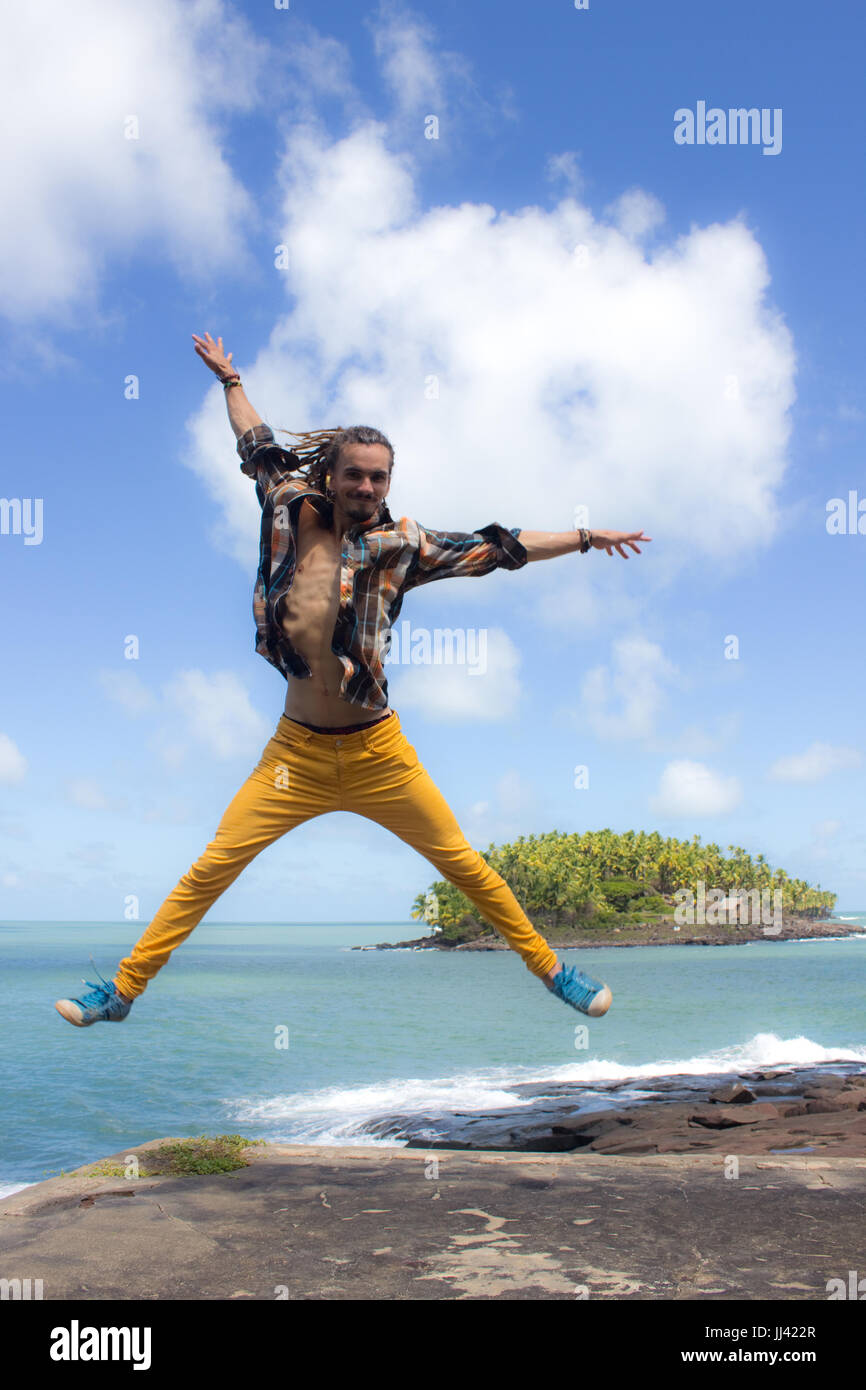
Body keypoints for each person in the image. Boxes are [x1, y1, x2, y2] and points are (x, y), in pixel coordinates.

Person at [55, 332, 651, 1028]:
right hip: (295, 756)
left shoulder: (403, 545)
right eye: (355, 475)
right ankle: (122, 992)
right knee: (211, 869)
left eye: (379, 477)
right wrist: (230, 380)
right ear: (331, 474)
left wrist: (583, 538)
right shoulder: (286, 506)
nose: (366, 487)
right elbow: (257, 443)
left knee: (466, 867)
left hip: (377, 755)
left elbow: (500, 548)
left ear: (389, 482)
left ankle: (555, 973)